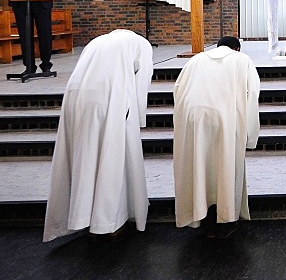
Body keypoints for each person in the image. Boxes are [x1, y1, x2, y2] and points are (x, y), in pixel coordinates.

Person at [43, 30, 154, 242]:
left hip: (77, 97)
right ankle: (107, 223)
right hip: (110, 98)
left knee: (84, 157)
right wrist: (139, 118)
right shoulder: (141, 43)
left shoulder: (98, 41)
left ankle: (81, 216)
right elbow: (142, 81)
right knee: (112, 159)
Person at [172, 36, 261, 237]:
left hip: (193, 116)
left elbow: (178, 90)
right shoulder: (242, 59)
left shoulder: (195, 60)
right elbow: (252, 94)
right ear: (236, 48)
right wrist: (250, 135)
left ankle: (202, 215)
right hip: (225, 118)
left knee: (200, 167)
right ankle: (225, 221)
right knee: (225, 167)